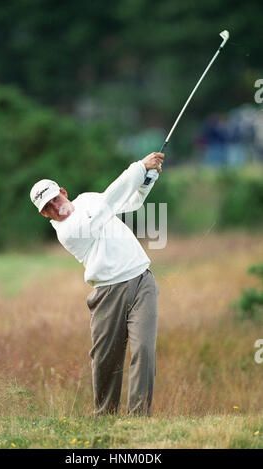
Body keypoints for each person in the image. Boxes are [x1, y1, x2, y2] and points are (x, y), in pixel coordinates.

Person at [30, 152, 164, 416]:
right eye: (47, 208)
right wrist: (138, 167)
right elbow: (106, 207)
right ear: (44, 215)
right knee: (105, 359)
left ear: (63, 192)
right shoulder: (66, 232)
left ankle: (138, 418)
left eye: (55, 199)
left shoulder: (88, 199)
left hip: (142, 280)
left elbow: (131, 202)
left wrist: (147, 179)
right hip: (108, 293)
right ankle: (105, 415)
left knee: (144, 350)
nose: (55, 207)